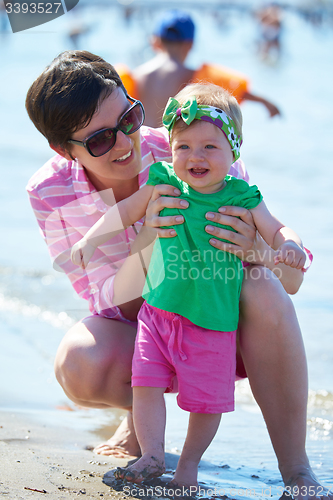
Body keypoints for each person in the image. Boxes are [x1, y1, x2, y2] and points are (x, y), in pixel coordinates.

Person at [25, 50, 329, 500]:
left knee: (262, 287)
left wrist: (258, 250)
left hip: (220, 326)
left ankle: (297, 469)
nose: (126, 143)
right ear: (63, 149)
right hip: (151, 328)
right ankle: (144, 431)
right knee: (80, 362)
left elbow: (291, 284)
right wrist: (148, 238)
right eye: (100, 140)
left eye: (128, 118)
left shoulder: (192, 147)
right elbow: (110, 302)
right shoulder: (49, 191)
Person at [70, 84, 306, 488]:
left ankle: (189, 466)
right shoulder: (163, 184)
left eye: (210, 147)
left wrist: (289, 246)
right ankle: (152, 455)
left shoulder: (242, 197)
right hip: (158, 315)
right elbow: (126, 212)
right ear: (170, 149)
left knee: (206, 403)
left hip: (211, 322)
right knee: (143, 385)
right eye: (184, 147)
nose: (195, 157)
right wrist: (90, 238)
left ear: (234, 151)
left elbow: (276, 228)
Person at [117, 9, 281, 127]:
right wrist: (266, 102)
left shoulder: (133, 76)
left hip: (144, 151)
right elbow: (235, 90)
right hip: (173, 154)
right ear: (190, 44)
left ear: (155, 42)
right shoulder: (196, 76)